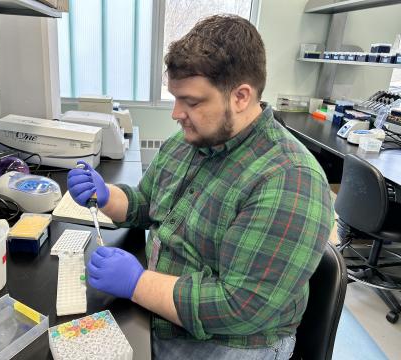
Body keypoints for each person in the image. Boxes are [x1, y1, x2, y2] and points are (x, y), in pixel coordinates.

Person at [67, 14, 334, 360]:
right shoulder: (190, 142)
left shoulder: (288, 179)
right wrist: (106, 196)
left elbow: (241, 307)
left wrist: (137, 283)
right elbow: (148, 203)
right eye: (176, 98)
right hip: (162, 310)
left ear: (240, 96)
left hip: (229, 342)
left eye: (191, 102)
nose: (176, 114)